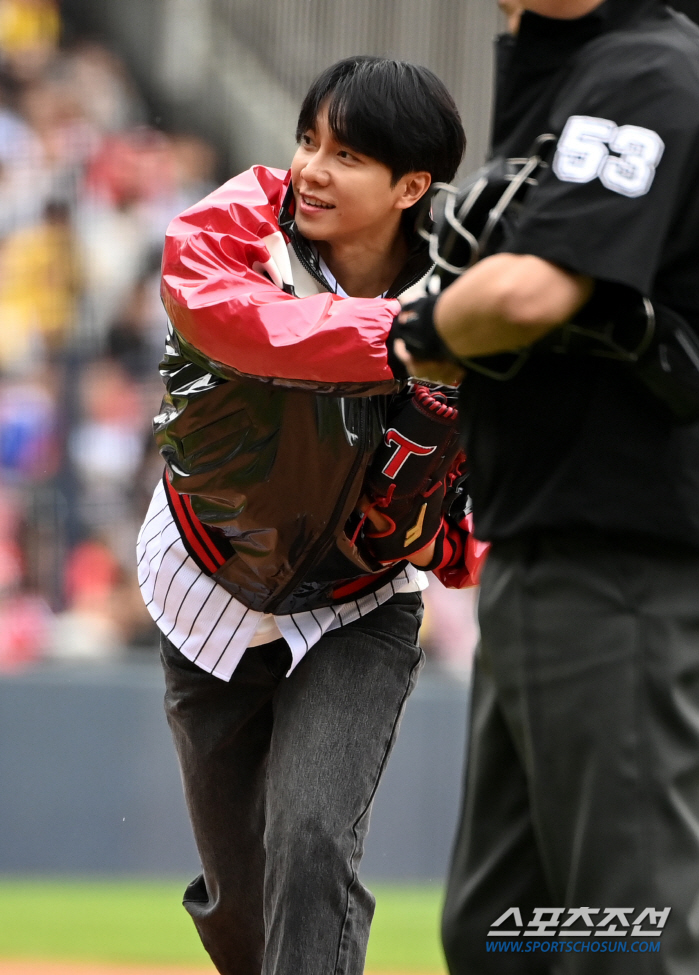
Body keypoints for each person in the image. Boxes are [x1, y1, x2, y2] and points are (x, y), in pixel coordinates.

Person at [137, 57, 475, 975]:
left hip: (359, 604)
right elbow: (239, 323)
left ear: (412, 186)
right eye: (307, 140)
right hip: (205, 585)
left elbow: (498, 486)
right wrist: (410, 339)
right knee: (238, 899)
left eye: (348, 154)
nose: (311, 168)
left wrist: (455, 537)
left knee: (314, 841)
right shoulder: (235, 227)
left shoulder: (475, 287)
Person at [393, 1, 699, 972]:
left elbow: (537, 290)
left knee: (630, 930)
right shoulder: (569, 71)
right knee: (500, 932)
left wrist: (415, 333)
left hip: (621, 563)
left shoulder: (647, 65)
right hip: (549, 552)